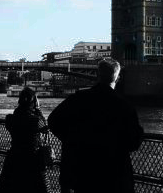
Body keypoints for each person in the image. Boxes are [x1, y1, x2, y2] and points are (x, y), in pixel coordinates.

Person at [48, 58, 144, 193]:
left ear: (97, 75)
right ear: (118, 78)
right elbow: (134, 142)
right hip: (115, 175)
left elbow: (53, 120)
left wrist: (71, 139)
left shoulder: (77, 99)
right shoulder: (124, 106)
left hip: (83, 172)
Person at [0, 87, 49, 193]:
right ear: (33, 102)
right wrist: (38, 110)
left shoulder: (11, 119)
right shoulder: (35, 120)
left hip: (14, 157)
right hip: (32, 159)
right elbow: (45, 127)